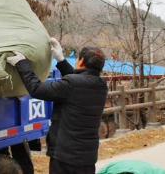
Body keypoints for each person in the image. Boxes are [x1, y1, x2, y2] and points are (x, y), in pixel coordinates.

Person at [6, 38, 108, 174]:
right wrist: (61, 61)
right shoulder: (101, 85)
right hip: (87, 157)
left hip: (65, 155)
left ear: (82, 61)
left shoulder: (72, 84)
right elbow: (78, 81)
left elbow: (36, 89)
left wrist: (22, 64)